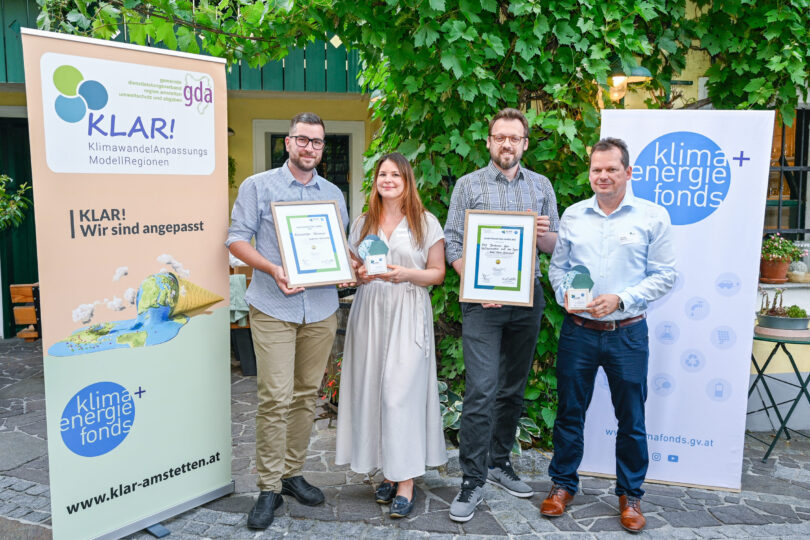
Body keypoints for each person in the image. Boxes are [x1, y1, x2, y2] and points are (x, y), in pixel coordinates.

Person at [543, 137, 676, 532]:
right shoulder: (573, 215)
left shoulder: (652, 217)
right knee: (569, 413)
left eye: (611, 169)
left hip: (628, 333)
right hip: (578, 330)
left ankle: (630, 495)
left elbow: (665, 275)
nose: (602, 176)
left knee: (631, 418)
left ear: (628, 172)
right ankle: (562, 485)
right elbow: (558, 268)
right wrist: (564, 293)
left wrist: (621, 299)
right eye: (596, 169)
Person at [226, 112, 350, 530]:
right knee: (275, 396)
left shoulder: (333, 193)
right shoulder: (258, 186)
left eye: (316, 142)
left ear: (321, 147)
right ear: (288, 142)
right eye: (302, 139)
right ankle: (267, 487)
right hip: (274, 306)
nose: (309, 148)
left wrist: (350, 264)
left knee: (304, 396)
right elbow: (236, 239)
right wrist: (273, 268)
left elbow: (338, 249)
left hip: (319, 309)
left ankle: (292, 473)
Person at [444, 107, 560, 522]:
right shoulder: (468, 185)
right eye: (500, 137)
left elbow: (551, 246)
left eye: (515, 137)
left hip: (527, 301)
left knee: (513, 389)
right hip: (482, 306)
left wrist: (544, 232)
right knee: (480, 391)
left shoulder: (542, 186)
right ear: (489, 142)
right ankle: (472, 479)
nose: (507, 144)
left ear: (524, 143)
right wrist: (476, 284)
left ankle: (498, 462)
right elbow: (453, 244)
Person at [335, 153, 447, 518]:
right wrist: (358, 274)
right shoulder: (364, 222)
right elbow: (352, 267)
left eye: (395, 174)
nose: (387, 179)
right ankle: (388, 470)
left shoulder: (425, 222)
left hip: (407, 308)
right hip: (370, 310)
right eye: (382, 174)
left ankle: (406, 481)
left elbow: (437, 274)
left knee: (401, 395)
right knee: (374, 392)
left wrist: (406, 274)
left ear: (407, 180)